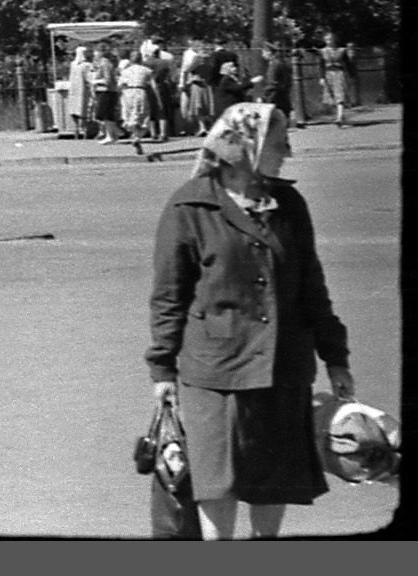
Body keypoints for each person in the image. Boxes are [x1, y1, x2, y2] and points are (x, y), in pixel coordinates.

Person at [147, 103, 356, 539]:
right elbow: (169, 295)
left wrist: (336, 357)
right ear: (246, 146)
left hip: (283, 366)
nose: (288, 152)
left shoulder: (289, 205)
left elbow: (311, 287)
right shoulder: (190, 207)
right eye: (280, 142)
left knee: (272, 480)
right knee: (217, 483)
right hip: (215, 372)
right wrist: (162, 368)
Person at [118, 51, 157, 144]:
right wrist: (158, 98)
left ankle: (135, 134)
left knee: (130, 114)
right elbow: (154, 86)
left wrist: (120, 96)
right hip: (140, 91)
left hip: (128, 92)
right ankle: (137, 136)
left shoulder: (125, 71)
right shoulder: (147, 70)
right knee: (142, 113)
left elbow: (120, 85)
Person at [318, 34, 355, 128]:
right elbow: (321, 65)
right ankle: (341, 115)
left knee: (340, 95)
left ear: (334, 40)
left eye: (330, 39)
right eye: (326, 40)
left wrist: (351, 75)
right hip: (328, 74)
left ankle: (339, 117)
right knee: (331, 97)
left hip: (339, 73)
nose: (328, 41)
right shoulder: (323, 51)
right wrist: (321, 77)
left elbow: (348, 63)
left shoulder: (342, 50)